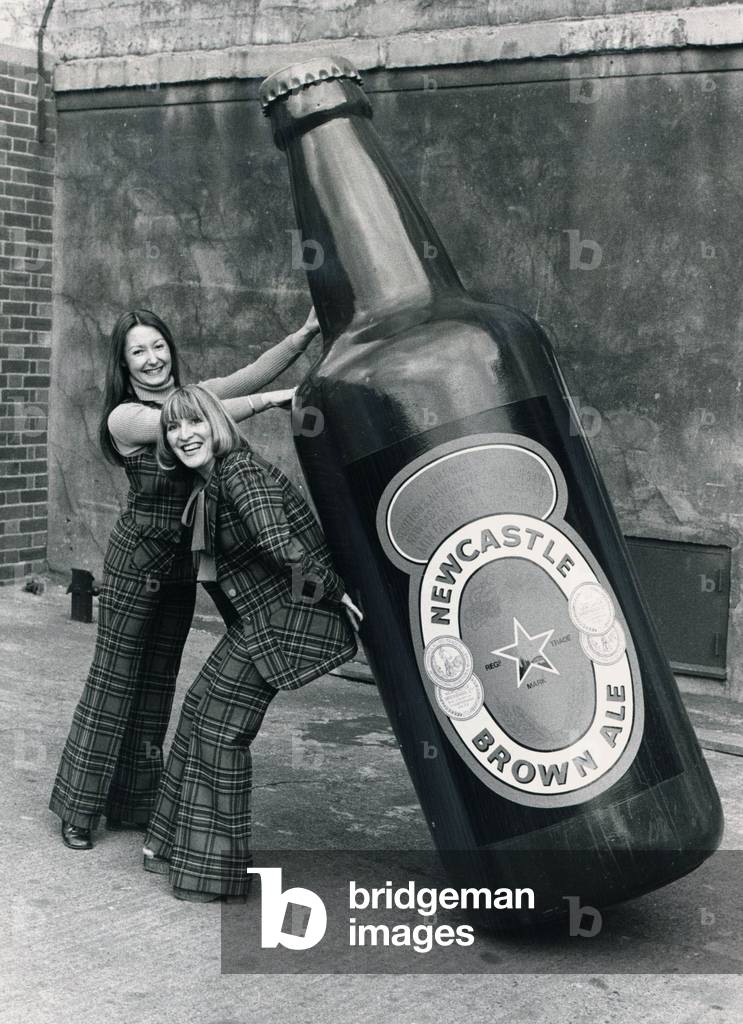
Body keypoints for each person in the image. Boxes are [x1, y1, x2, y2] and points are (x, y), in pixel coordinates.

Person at [50, 308, 319, 850]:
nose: (152, 359)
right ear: (123, 366)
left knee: (156, 684)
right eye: (138, 353)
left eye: (158, 347)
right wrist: (270, 402)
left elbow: (252, 371)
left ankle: (133, 804)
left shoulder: (194, 396)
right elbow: (202, 416)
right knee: (114, 681)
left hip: (180, 565)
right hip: (134, 562)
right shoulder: (126, 418)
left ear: (170, 348)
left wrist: (305, 334)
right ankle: (78, 809)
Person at [141, 385, 362, 902]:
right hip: (262, 618)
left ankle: (212, 874)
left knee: (221, 728)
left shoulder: (239, 472)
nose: (184, 435)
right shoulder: (210, 482)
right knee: (198, 707)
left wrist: (335, 590)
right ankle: (170, 844)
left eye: (194, 422)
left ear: (216, 423)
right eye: (173, 427)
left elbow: (281, 545)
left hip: (293, 616)